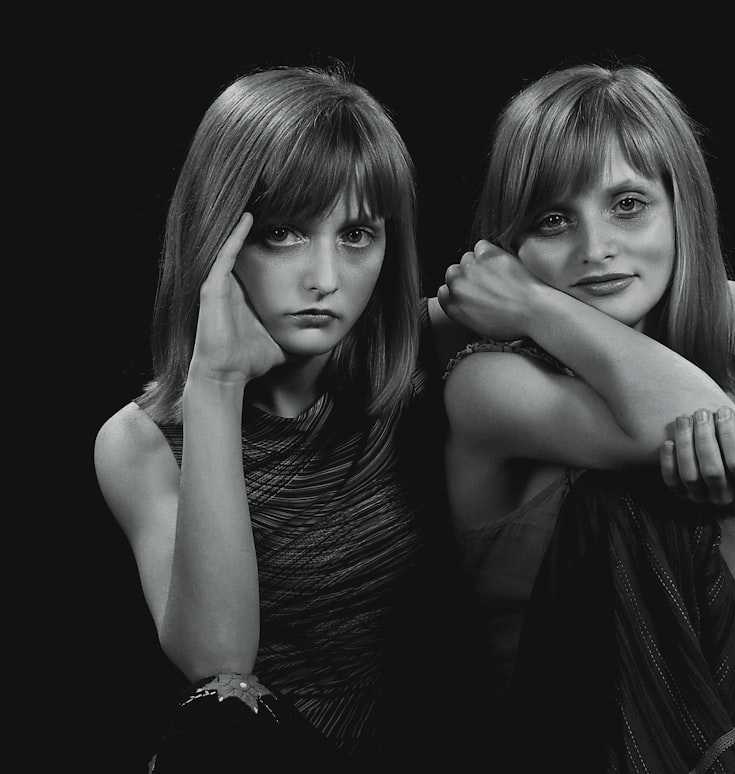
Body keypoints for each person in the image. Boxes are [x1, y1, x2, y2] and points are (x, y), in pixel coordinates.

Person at [437, 61, 735, 772]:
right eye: (552, 219)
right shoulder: (489, 385)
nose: (595, 247)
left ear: (680, 209)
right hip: (553, 750)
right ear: (511, 249)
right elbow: (693, 416)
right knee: (622, 499)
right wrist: (536, 307)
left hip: (705, 747)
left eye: (628, 203)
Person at [93, 64, 478, 773]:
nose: (325, 279)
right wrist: (215, 381)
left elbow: (617, 303)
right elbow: (219, 672)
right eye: (283, 234)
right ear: (218, 238)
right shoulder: (139, 442)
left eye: (357, 233)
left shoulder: (429, 353)